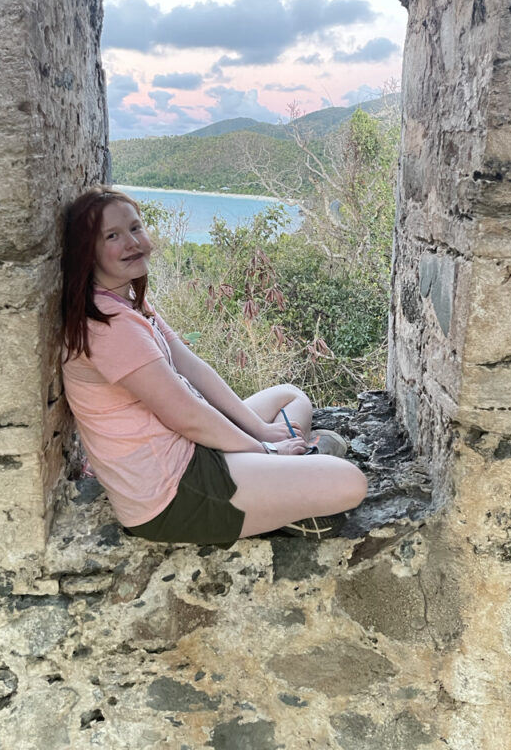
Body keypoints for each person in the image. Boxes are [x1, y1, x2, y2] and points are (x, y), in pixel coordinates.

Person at [61, 185, 367, 548]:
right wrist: (264, 449)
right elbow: (185, 414)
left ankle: (291, 468)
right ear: (88, 252)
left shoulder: (128, 301)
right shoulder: (109, 326)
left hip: (192, 449)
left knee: (290, 396)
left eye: (135, 228)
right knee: (350, 482)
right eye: (113, 236)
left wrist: (260, 431)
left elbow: (193, 368)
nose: (132, 242)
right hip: (173, 491)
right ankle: (295, 475)